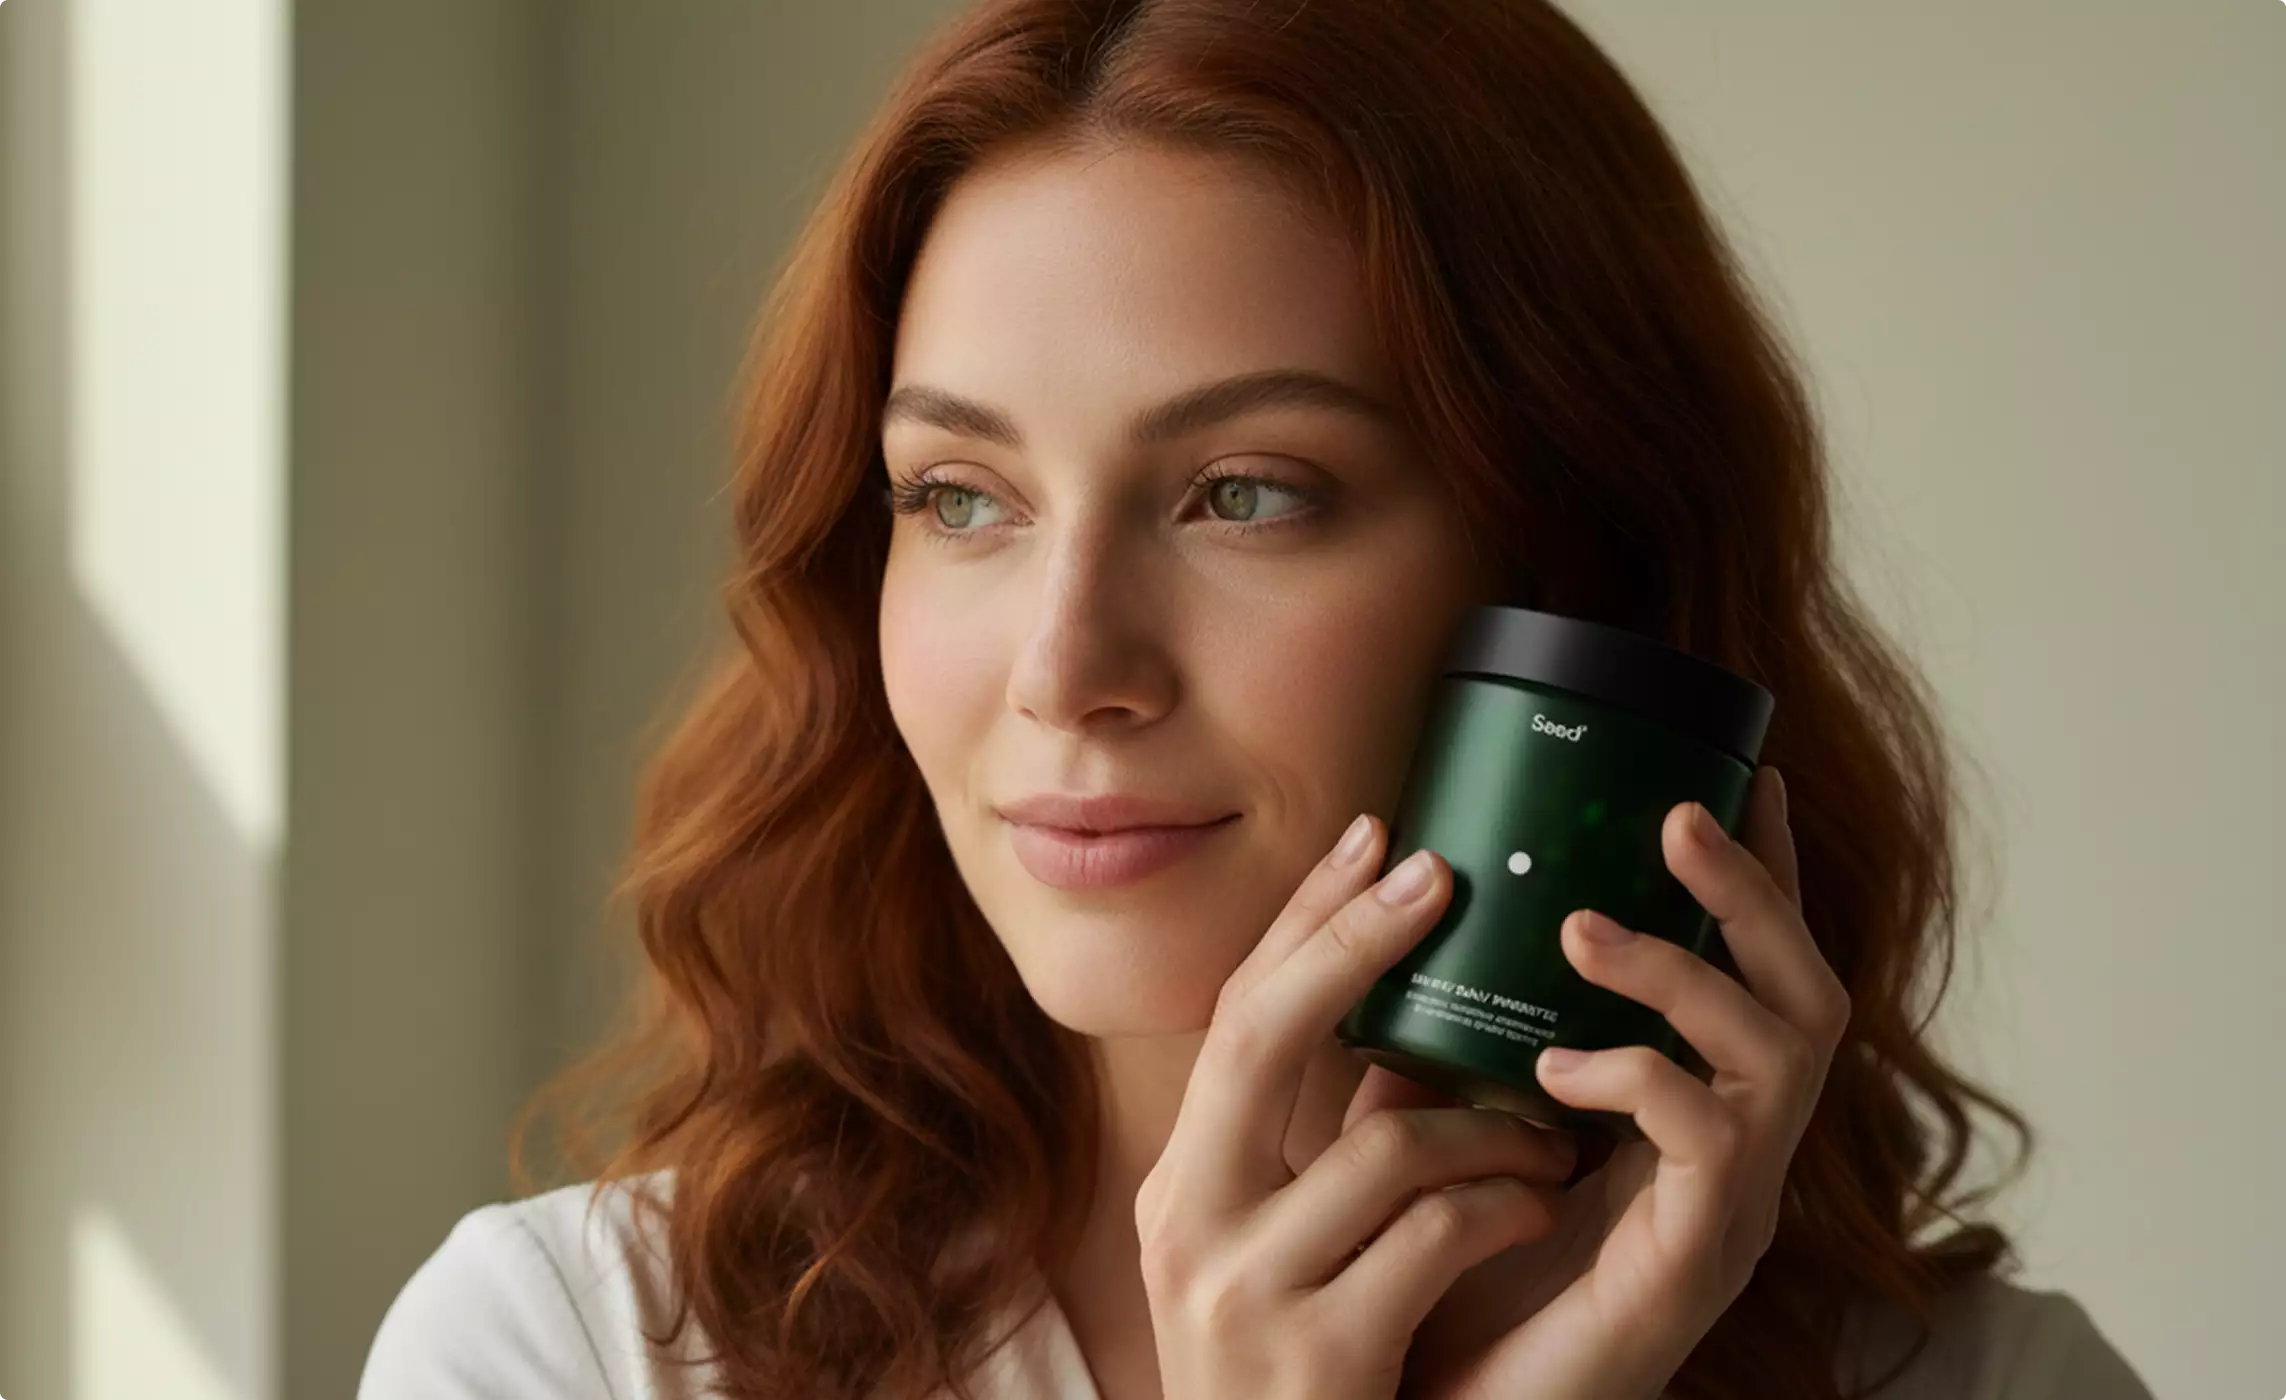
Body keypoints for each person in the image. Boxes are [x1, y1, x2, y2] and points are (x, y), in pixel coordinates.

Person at [358, 1, 2155, 1397]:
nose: (1066, 670)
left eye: (1246, 493)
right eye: (957, 499)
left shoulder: (1988, 1385)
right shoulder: (574, 1353)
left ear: (1568, 582)